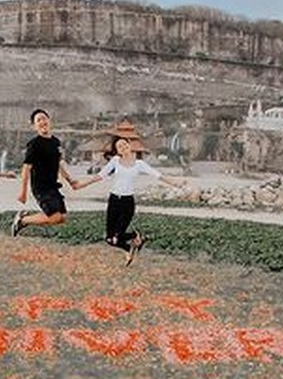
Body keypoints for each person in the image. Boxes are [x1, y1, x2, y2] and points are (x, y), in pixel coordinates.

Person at [72, 121, 188, 266]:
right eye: (119, 147)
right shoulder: (115, 161)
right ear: (117, 151)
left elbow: (157, 175)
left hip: (127, 203)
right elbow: (99, 176)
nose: (123, 147)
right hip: (114, 200)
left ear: (129, 145)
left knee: (118, 236)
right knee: (110, 239)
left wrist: (175, 183)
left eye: (124, 144)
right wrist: (81, 184)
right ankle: (129, 248)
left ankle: (135, 235)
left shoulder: (139, 164)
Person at [11, 108, 77, 236]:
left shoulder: (55, 142)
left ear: (49, 121)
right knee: (55, 217)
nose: (42, 122)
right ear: (34, 126)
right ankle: (22, 220)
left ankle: (23, 220)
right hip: (41, 188)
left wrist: (70, 180)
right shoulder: (34, 144)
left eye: (44, 118)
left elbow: (58, 164)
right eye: (38, 120)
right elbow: (26, 169)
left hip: (53, 186)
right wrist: (23, 192)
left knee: (62, 217)